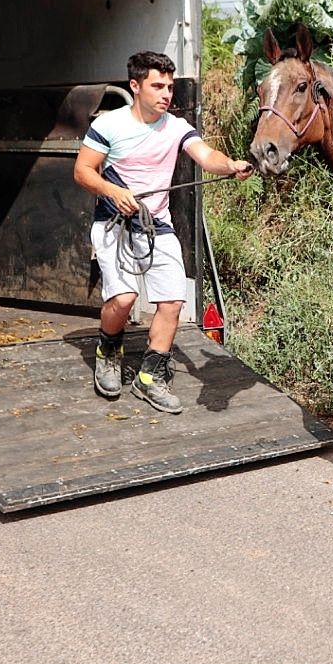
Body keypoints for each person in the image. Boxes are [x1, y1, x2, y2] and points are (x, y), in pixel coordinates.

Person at [74, 51, 252, 413]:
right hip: (113, 224)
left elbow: (206, 156)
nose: (166, 93)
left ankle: (151, 377)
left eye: (170, 87)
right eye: (158, 86)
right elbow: (83, 172)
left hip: (158, 226)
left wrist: (230, 164)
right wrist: (113, 191)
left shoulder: (177, 127)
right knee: (123, 300)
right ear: (135, 86)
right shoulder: (109, 125)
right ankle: (108, 348)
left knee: (172, 301)